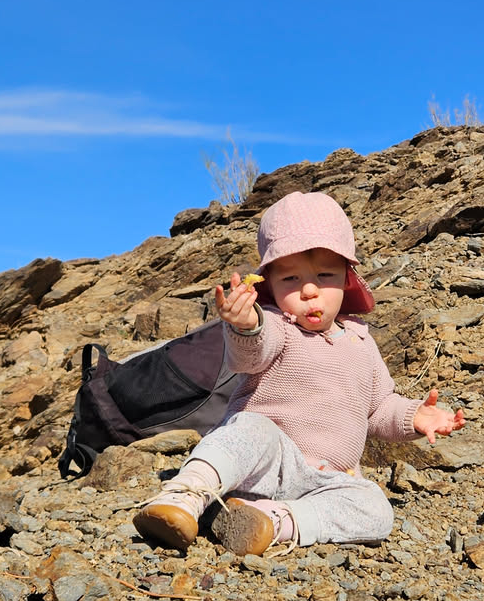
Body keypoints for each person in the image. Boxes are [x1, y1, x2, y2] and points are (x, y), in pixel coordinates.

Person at [133, 190, 463, 556]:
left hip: (326, 479)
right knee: (250, 428)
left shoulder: (361, 341)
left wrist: (414, 416)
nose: (308, 290)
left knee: (374, 507)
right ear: (270, 285)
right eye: (290, 279)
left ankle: (271, 522)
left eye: (324, 275)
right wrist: (245, 325)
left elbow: (378, 408)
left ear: (347, 279)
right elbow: (249, 356)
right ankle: (187, 495)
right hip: (265, 463)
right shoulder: (277, 326)